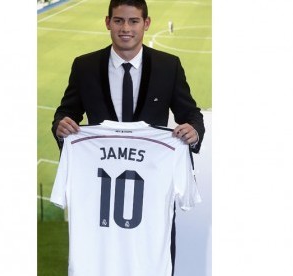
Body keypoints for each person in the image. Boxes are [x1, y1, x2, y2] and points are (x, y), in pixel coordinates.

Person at [51, 0, 205, 274]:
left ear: (146, 24)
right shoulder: (84, 66)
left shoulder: (168, 66)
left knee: (154, 257)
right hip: (100, 192)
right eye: (119, 20)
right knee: (100, 259)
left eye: (133, 21)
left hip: (153, 193)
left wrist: (193, 132)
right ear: (107, 22)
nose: (126, 28)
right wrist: (62, 126)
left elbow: (192, 115)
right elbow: (66, 112)